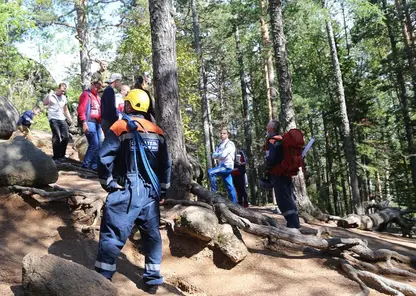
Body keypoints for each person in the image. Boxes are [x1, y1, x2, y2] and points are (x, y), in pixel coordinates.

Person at [95, 88, 171, 294]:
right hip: (150, 193)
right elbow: (165, 165)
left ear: (129, 106)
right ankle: (153, 280)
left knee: (112, 234)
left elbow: (103, 158)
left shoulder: (120, 126)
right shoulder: (157, 130)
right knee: (152, 235)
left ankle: (102, 279)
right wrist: (162, 192)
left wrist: (109, 183)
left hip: (126, 190)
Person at [264, 119, 300, 228]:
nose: (267, 126)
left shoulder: (272, 140)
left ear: (271, 128)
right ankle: (294, 222)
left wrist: (267, 166)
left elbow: (272, 157)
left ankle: (293, 224)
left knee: (282, 199)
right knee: (288, 197)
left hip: (278, 173)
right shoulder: (282, 139)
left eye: (268, 124)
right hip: (286, 172)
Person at [77, 79, 103, 171]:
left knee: (99, 144)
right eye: (96, 86)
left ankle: (95, 165)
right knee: (94, 144)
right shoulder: (86, 95)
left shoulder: (97, 97)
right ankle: (85, 165)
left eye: (99, 88)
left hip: (97, 123)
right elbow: (81, 109)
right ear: (92, 84)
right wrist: (84, 122)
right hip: (89, 121)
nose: (97, 89)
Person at [43, 83, 73, 162]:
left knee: (66, 137)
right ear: (58, 88)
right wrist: (50, 94)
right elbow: (45, 103)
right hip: (53, 118)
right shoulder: (52, 96)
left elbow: (65, 109)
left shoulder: (64, 98)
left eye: (64, 90)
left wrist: (70, 119)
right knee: (57, 136)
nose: (63, 91)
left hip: (62, 118)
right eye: (62, 90)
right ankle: (56, 156)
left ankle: (62, 155)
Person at [208, 128, 237, 203]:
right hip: (222, 166)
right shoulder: (220, 144)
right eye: (221, 133)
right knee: (230, 186)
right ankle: (235, 204)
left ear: (228, 135)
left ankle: (213, 193)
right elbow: (213, 156)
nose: (222, 135)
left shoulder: (230, 144)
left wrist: (217, 155)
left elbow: (223, 155)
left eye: (224, 133)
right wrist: (218, 155)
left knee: (210, 172)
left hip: (227, 166)